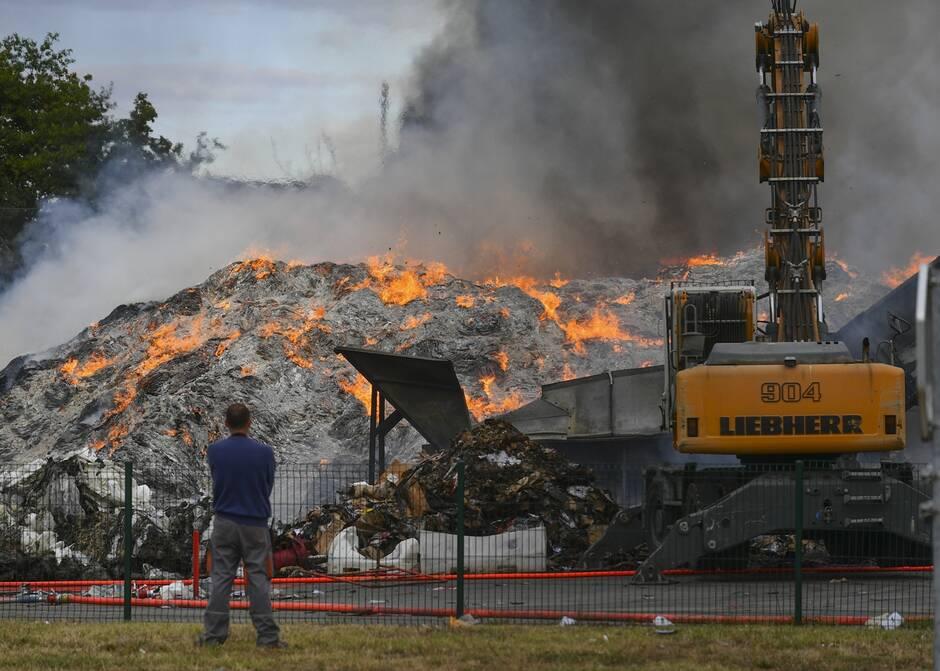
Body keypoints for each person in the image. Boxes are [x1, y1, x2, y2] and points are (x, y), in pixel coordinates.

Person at [198, 403, 286, 649]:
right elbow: (267, 485)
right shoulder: (265, 453)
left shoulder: (215, 451)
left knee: (221, 579)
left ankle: (214, 637)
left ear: (226, 423)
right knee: (258, 578)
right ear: (250, 422)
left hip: (225, 522)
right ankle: (267, 638)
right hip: (255, 523)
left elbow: (217, 479)